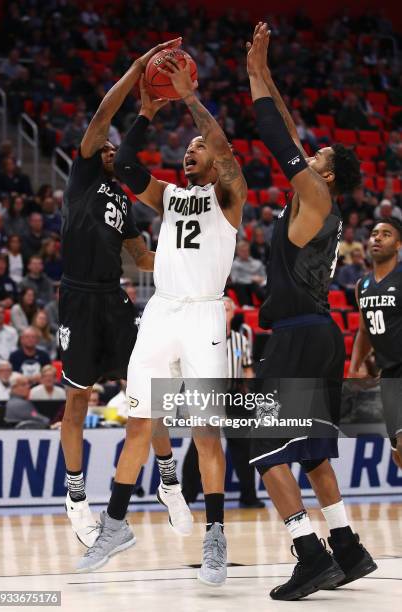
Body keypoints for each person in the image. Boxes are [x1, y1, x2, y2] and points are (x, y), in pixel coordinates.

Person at [77, 56, 247, 587]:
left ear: (216, 164)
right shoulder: (171, 197)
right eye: (189, 149)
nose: (191, 152)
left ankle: (215, 535)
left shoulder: (228, 198)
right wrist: (147, 110)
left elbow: (221, 146)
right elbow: (126, 166)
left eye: (198, 150)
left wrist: (189, 96)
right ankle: (114, 525)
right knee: (139, 424)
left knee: (204, 433)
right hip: (162, 310)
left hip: (203, 315)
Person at [246, 24, 376, 601]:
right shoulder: (318, 198)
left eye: (315, 156)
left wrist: (253, 81)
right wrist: (265, 69)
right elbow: (293, 129)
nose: (309, 153)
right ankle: (347, 548)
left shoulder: (315, 196)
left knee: (265, 450)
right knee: (316, 452)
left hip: (298, 336)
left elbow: (277, 134)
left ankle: (309, 554)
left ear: (321, 173)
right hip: (319, 334)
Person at [59, 38, 192, 550]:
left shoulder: (125, 201)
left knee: (149, 393)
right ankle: (75, 497)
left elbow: (140, 259)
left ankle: (168, 479)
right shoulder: (83, 174)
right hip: (77, 298)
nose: (113, 152)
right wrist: (139, 70)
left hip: (114, 300)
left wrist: (184, 262)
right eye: (108, 148)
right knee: (76, 400)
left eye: (118, 150)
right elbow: (101, 115)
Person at [182, 297, 264, 508]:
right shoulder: (203, 338)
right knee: (199, 447)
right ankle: (187, 495)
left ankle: (249, 496)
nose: (223, 311)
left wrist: (251, 392)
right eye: (220, 308)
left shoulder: (240, 340)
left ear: (233, 313)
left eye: (227, 308)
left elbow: (247, 367)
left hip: (235, 395)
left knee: (243, 448)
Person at [350, 219, 402, 468]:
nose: (377, 238)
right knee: (397, 452)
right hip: (388, 373)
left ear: (399, 244)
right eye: (374, 234)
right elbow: (364, 329)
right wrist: (355, 365)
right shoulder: (362, 285)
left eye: (386, 234)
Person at [230, 240, 267, 306]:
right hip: (245, 286)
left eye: (246, 250)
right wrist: (251, 279)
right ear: (238, 252)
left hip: (261, 284)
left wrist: (261, 279)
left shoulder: (257, 263)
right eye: (242, 251)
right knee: (248, 285)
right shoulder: (235, 265)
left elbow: (264, 276)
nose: (245, 253)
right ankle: (249, 306)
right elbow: (235, 279)